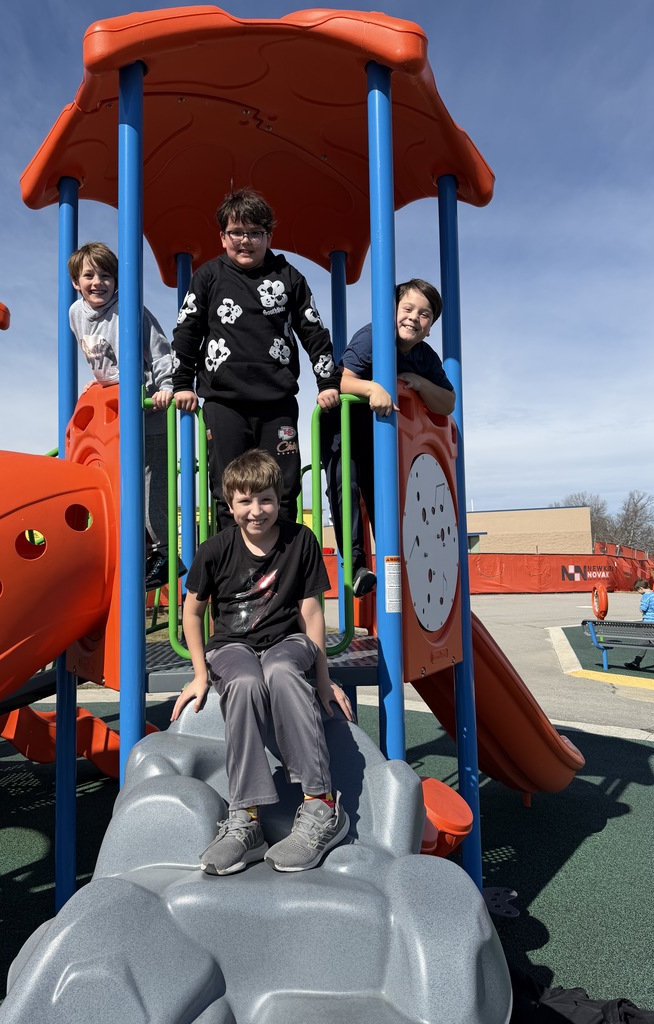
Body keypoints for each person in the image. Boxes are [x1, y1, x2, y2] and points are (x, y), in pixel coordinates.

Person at [171, 449, 353, 875]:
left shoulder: (300, 540)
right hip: (231, 645)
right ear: (230, 504)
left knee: (283, 673)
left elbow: (311, 614)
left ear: (280, 497)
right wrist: (199, 674)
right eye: (246, 502)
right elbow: (192, 613)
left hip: (286, 642)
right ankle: (246, 819)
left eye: (266, 499)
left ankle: (322, 806)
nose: (257, 511)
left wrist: (323, 680)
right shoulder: (215, 549)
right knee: (247, 683)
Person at [171, 187, 341, 529]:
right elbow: (187, 331)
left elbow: (313, 329)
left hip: (275, 401)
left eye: (254, 233)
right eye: (236, 232)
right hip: (224, 401)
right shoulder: (208, 277)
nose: (245, 241)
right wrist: (181, 384)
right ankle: (237, 574)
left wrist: (327, 382)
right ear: (222, 237)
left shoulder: (287, 276)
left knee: (283, 487)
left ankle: (285, 569)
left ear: (269, 235)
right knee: (229, 488)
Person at [320, 279, 456, 597]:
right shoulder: (374, 337)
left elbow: (448, 402)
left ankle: (395, 562)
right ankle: (355, 568)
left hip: (380, 435)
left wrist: (420, 384)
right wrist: (373, 388)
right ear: (392, 310)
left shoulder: (425, 357)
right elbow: (341, 380)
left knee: (386, 495)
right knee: (346, 484)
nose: (413, 317)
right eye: (407, 308)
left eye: (424, 314)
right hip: (344, 429)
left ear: (430, 327)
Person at [68, 241, 183, 591]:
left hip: (146, 408)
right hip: (112, 413)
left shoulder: (129, 310)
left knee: (153, 490)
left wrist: (165, 386)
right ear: (77, 281)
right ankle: (127, 553)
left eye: (106, 275)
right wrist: (100, 381)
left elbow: (159, 350)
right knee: (112, 489)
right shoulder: (75, 313)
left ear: (117, 281)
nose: (97, 282)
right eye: (89, 275)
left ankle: (167, 555)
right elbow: (99, 356)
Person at [624, 578, 654, 670]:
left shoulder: (646, 596)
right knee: (643, 643)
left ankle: (636, 663)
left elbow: (643, 609)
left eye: (638, 590)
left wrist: (640, 607)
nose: (638, 592)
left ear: (641, 588)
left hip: (648, 624)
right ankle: (636, 662)